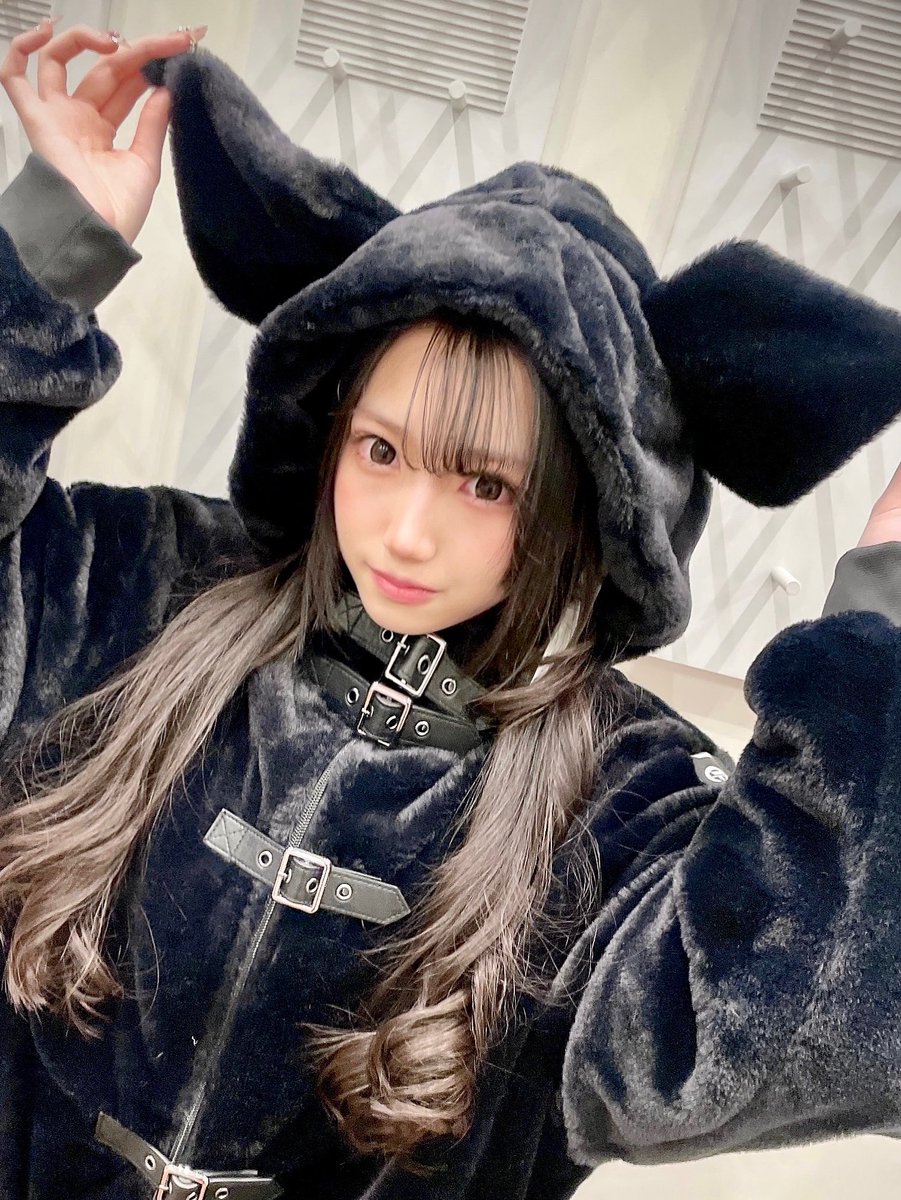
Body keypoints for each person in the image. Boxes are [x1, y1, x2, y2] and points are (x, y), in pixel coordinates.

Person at [1, 19, 901, 1200]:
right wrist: (45, 253)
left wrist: (880, 629)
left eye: (488, 485)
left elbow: (800, 1023)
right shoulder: (138, 587)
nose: (407, 534)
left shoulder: (624, 800)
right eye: (381, 450)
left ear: (582, 509)